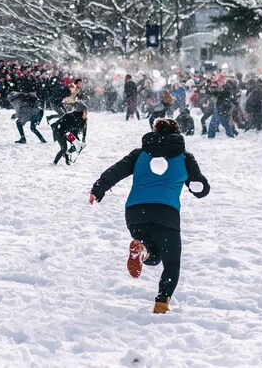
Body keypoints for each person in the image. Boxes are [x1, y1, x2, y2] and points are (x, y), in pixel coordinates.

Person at [89, 118, 211, 314]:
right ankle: (161, 304)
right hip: (166, 213)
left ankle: (143, 251)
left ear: (154, 131)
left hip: (136, 213)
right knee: (171, 262)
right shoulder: (185, 157)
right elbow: (200, 187)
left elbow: (116, 170)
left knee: (154, 257)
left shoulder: (140, 154)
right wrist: (198, 187)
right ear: (178, 133)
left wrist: (98, 188)